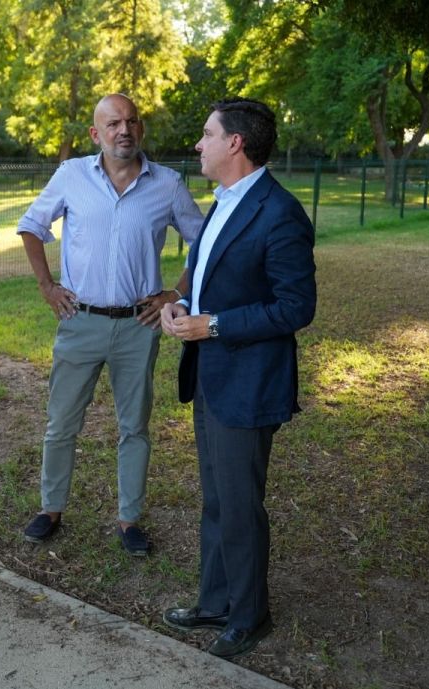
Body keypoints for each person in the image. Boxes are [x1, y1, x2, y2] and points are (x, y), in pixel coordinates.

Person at [159, 98, 316, 659]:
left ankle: (250, 615)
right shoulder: (223, 201)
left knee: (240, 502)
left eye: (206, 135)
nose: (197, 145)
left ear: (235, 144)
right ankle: (215, 600)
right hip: (210, 375)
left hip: (249, 382)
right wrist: (180, 303)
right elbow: (205, 278)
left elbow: (296, 306)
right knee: (217, 498)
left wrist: (215, 324)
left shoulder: (280, 212)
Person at [16, 94, 204, 555]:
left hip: (138, 327)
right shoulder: (71, 175)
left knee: (134, 427)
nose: (124, 130)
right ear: (95, 134)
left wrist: (174, 294)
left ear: (141, 129)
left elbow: (204, 243)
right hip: (80, 323)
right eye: (113, 123)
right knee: (61, 423)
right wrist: (47, 286)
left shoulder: (168, 183)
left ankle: (129, 519)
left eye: (132, 122)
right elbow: (31, 225)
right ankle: (50, 509)